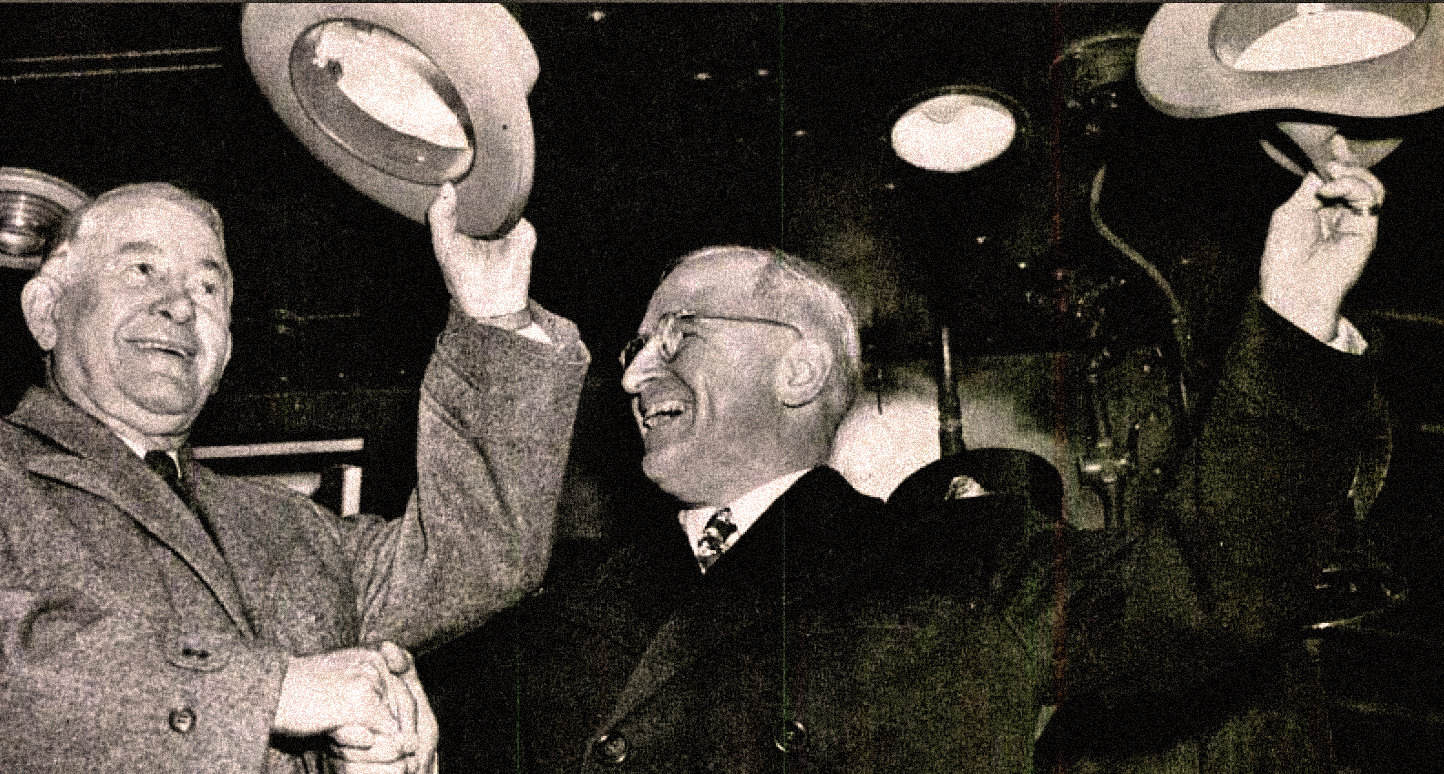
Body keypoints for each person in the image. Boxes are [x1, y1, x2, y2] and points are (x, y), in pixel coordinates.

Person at [489, 138, 1379, 771]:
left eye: (677, 332)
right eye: (634, 347)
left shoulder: (960, 554)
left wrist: (1295, 316)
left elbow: (1207, 587)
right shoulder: (562, 597)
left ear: (798, 368)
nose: (639, 370)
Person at [0, 180, 588, 773]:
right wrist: (273, 692)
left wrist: (491, 311)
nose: (180, 305)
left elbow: (476, 555)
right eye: (142, 270)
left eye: (207, 287)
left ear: (224, 352)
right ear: (47, 312)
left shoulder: (291, 526)